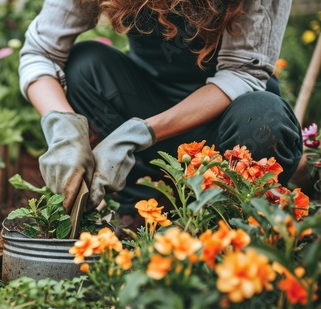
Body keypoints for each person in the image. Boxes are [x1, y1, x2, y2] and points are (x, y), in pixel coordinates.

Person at [18, 0, 303, 229]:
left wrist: (139, 133)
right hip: (147, 104)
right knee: (84, 65)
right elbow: (39, 52)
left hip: (229, 125)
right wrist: (62, 128)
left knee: (265, 119)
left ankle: (232, 224)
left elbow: (243, 74)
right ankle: (139, 211)